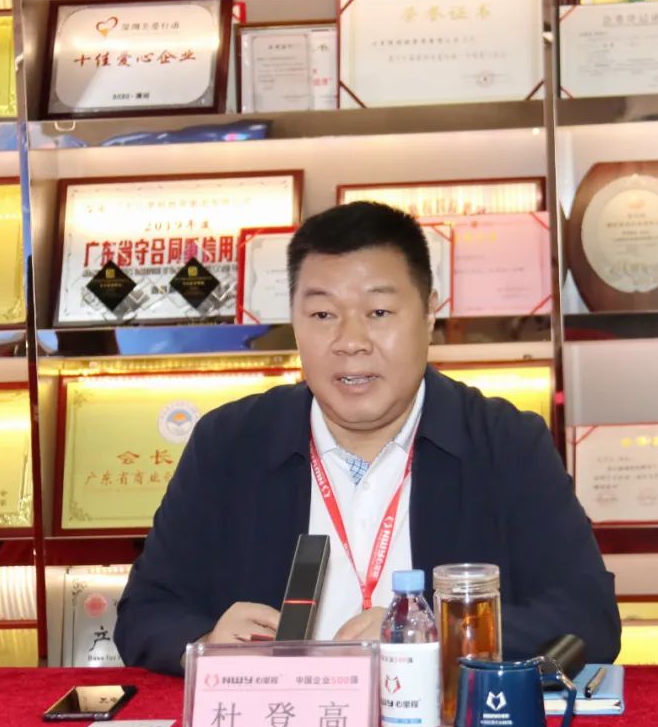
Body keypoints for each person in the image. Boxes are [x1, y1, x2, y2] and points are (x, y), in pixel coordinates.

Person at [115, 201, 620, 674]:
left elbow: (588, 619)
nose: (350, 342)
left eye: (379, 313)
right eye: (322, 315)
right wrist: (206, 643)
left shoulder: (505, 443)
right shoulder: (229, 443)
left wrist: (436, 634)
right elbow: (145, 612)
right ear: (294, 322)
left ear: (430, 315)